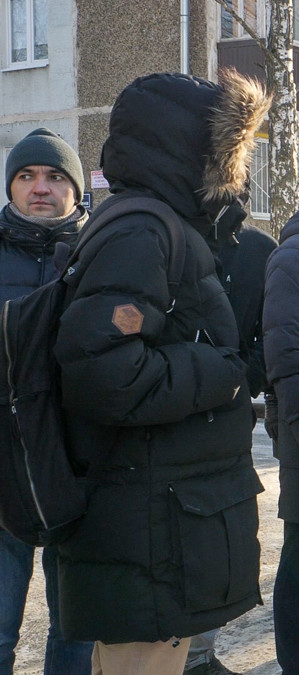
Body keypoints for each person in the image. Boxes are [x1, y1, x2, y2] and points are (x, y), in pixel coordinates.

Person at [52, 71, 269, 673]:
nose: (237, 167)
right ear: (186, 147)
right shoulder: (143, 230)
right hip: (148, 523)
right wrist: (219, 370)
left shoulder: (156, 224)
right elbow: (100, 371)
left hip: (159, 514)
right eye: (229, 150)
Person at [0, 128, 92, 674]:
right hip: (2, 469)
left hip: (77, 469)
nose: (41, 187)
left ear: (77, 190)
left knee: (76, 629)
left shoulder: (100, 253)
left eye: (56, 177)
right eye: (27, 176)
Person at [183, 198, 277, 675]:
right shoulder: (159, 232)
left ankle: (200, 653)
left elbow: (272, 329)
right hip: (160, 420)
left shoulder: (258, 248)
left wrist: (242, 376)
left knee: (220, 543)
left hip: (229, 419)